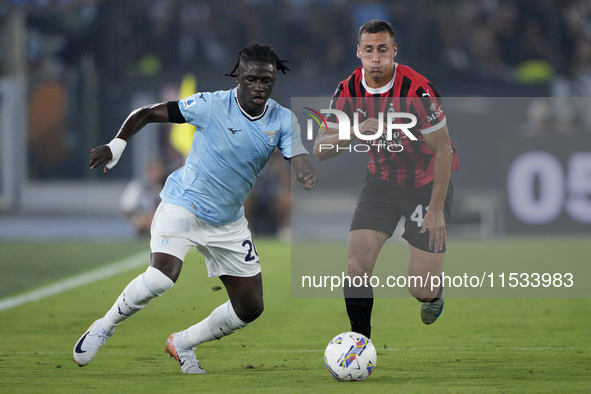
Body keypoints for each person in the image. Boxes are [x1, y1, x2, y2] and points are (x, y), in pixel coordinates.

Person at [73, 42, 318, 374]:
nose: (259, 87)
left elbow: (296, 154)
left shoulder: (282, 119)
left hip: (229, 222)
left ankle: (183, 342)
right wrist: (117, 144)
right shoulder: (211, 105)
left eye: (266, 80)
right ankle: (104, 326)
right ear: (238, 77)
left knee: (250, 308)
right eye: (252, 79)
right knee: (161, 278)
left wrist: (304, 170)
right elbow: (146, 112)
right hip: (183, 205)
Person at [313, 20, 458, 339]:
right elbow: (320, 148)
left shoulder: (417, 89)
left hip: (424, 184)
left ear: (394, 51)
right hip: (380, 182)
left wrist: (435, 209)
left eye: (382, 50)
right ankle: (359, 342)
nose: (375, 58)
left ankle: (434, 293)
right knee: (357, 265)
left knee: (421, 288)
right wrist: (353, 131)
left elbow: (444, 150)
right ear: (358, 52)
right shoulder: (347, 89)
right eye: (369, 50)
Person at [119, 156, 167, 236]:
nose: (156, 174)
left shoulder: (167, 187)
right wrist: (140, 217)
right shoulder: (137, 187)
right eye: (153, 170)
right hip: (142, 228)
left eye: (159, 170)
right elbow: (124, 209)